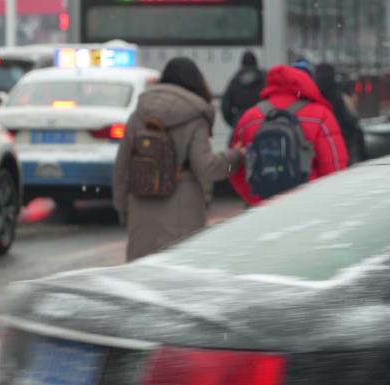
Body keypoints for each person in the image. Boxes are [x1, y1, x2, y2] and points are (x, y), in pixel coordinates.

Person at [114, 57, 245, 262]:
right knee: (177, 278)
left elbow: (122, 166)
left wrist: (122, 207)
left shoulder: (138, 114)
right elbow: (207, 167)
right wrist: (236, 157)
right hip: (183, 209)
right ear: (196, 82)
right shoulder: (195, 117)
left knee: (142, 279)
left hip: (141, 204)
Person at [230, 65, 349, 206]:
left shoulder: (248, 119)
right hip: (308, 208)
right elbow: (335, 169)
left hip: (264, 211)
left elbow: (234, 168)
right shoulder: (321, 116)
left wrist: (256, 200)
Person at [315, 63, 367, 164]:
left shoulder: (312, 96)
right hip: (340, 144)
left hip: (318, 148)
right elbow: (351, 122)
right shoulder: (338, 95)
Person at [220, 51, 266, 129]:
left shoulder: (235, 80)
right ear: (256, 62)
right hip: (260, 120)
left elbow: (225, 105)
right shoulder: (264, 78)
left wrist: (233, 121)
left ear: (242, 63)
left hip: (240, 120)